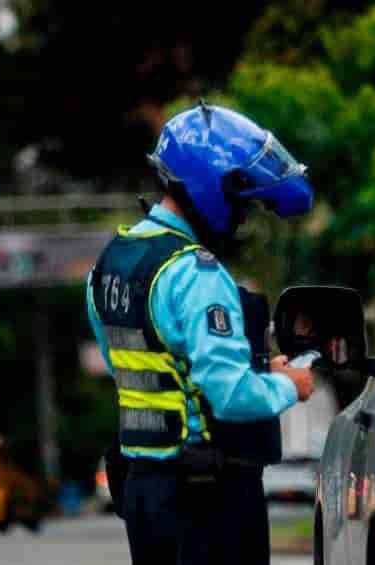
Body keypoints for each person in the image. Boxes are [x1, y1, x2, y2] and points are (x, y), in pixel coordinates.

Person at [85, 102, 315, 565]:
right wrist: (290, 384)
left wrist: (257, 369)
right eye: (242, 203)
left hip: (144, 493)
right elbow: (229, 397)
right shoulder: (194, 272)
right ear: (212, 187)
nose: (244, 218)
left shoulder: (112, 262)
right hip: (207, 496)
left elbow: (140, 366)